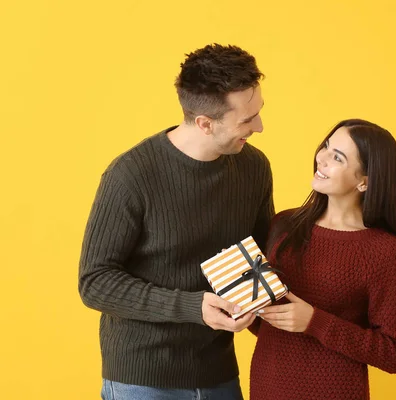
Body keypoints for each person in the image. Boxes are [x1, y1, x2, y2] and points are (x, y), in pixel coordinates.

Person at [79, 44, 273, 400]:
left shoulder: (254, 168)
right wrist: (192, 307)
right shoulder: (130, 175)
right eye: (247, 119)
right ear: (204, 123)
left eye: (258, 112)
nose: (259, 126)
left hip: (219, 372)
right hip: (141, 377)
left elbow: (263, 256)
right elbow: (95, 282)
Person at [248, 119, 396, 400]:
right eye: (326, 147)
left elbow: (393, 353)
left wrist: (315, 321)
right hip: (267, 386)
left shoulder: (383, 250)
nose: (320, 158)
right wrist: (246, 306)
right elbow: (265, 324)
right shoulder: (284, 225)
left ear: (364, 181)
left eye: (337, 157)